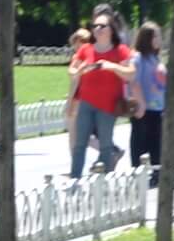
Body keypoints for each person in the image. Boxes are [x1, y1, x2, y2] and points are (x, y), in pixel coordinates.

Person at [67, 9, 134, 176]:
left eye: (102, 26)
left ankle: (104, 179)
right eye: (94, 25)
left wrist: (111, 66)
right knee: (80, 143)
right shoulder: (86, 49)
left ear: (111, 29)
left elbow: (131, 73)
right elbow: (72, 71)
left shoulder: (121, 50)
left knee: (105, 144)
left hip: (108, 105)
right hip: (86, 102)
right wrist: (80, 69)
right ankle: (75, 178)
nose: (97, 29)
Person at [130, 22, 165, 179]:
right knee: (140, 142)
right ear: (147, 38)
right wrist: (140, 103)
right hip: (143, 108)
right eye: (156, 35)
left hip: (157, 108)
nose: (159, 39)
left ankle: (157, 173)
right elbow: (134, 81)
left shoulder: (155, 58)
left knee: (156, 142)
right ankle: (138, 174)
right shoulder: (138, 58)